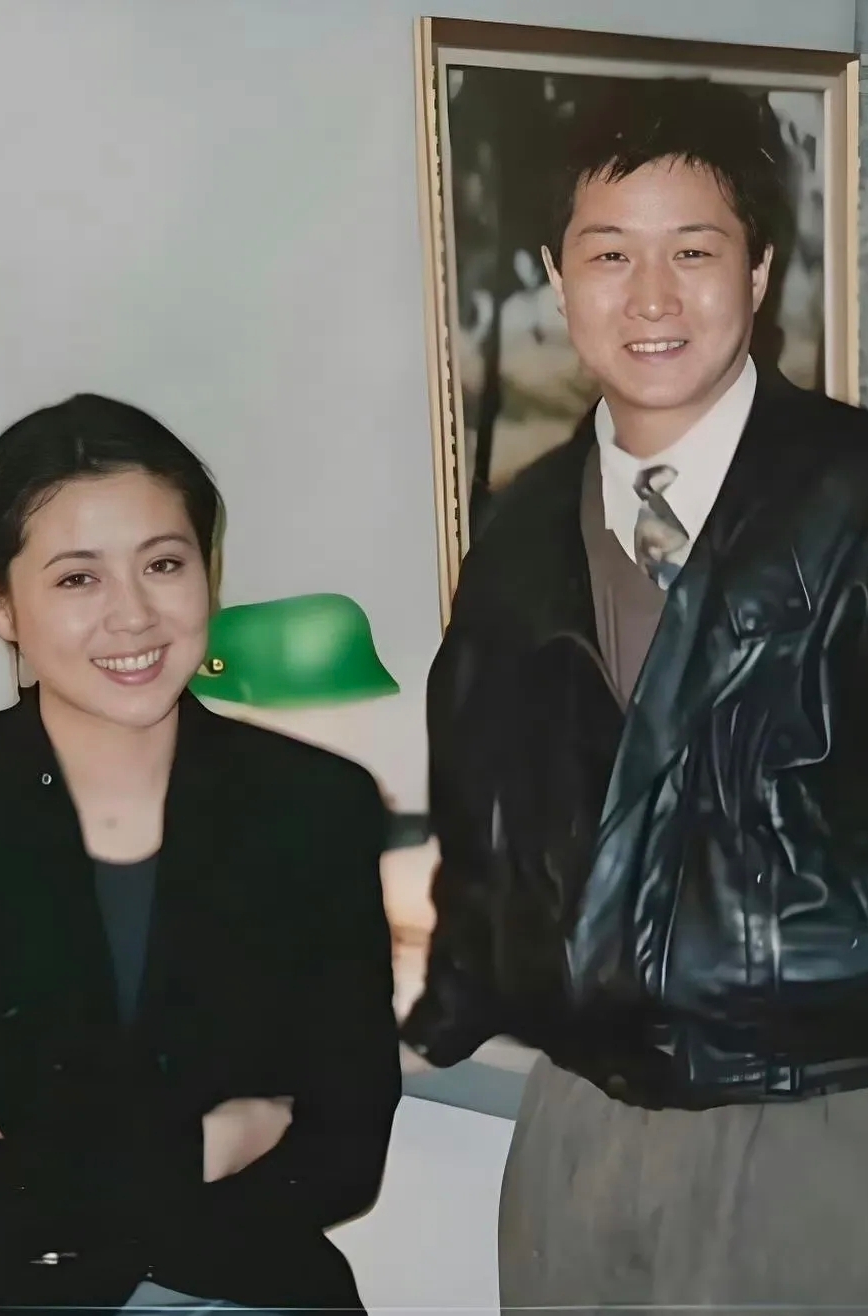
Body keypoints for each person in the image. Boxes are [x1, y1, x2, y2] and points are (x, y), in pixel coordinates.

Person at [400, 77, 868, 1309]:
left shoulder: (850, 497)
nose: (649, 297)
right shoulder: (515, 536)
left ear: (757, 271)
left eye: (692, 251)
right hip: (576, 1123)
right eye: (608, 253)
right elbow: (486, 820)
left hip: (812, 1120)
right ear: (555, 280)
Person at [0, 394, 401, 1313]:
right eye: (78, 579)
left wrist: (39, 1166)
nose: (134, 616)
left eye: (163, 564)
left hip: (241, 1291)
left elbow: (345, 1156)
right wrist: (203, 1148)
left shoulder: (317, 805)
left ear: (207, 572)